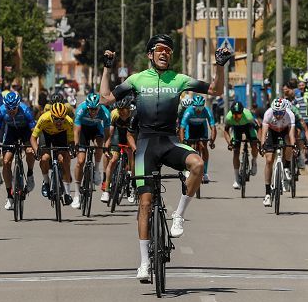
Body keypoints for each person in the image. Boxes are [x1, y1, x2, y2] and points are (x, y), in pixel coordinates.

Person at [98, 34, 229, 283]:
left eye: (168, 50)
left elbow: (216, 90)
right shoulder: (137, 79)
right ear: (150, 54)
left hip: (169, 141)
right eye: (159, 49)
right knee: (145, 204)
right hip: (146, 144)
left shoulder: (179, 79)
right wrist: (106, 69)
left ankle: (178, 214)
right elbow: (105, 99)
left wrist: (220, 65)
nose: (164, 53)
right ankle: (144, 263)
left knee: (198, 164)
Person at [0, 90, 38, 209]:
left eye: (14, 108)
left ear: (18, 105)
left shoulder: (26, 110)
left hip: (25, 131)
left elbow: (34, 133)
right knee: (6, 162)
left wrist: (35, 149)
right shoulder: (2, 110)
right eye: (9, 108)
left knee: (29, 151)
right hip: (11, 132)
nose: (11, 111)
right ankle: (9, 196)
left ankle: (30, 173)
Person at [30, 102, 74, 205]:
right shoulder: (44, 118)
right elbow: (33, 138)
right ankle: (46, 182)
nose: (59, 122)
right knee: (44, 158)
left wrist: (71, 149)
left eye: (62, 119)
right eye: (56, 119)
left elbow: (71, 141)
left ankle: (67, 193)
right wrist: (37, 151)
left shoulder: (69, 122)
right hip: (46, 135)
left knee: (64, 160)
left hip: (61, 135)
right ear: (51, 115)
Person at [72, 92, 111, 208]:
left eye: (95, 109)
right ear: (87, 107)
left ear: (99, 107)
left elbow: (107, 135)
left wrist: (106, 148)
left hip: (96, 130)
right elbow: (76, 132)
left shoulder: (105, 113)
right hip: (83, 131)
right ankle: (77, 194)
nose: (93, 112)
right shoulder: (80, 110)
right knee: (80, 161)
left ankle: (96, 170)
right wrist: (76, 145)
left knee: (100, 144)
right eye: (91, 109)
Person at [260, 98, 296, 207]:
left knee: (289, 142)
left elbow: (291, 134)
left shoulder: (290, 115)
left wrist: (293, 146)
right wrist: (262, 145)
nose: (278, 115)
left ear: (285, 110)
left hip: (284, 131)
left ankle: (286, 166)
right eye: (276, 112)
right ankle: (267, 194)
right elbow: (264, 133)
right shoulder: (268, 114)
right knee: (269, 160)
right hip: (272, 132)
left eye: (280, 112)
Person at [102, 94, 137, 204]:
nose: (121, 112)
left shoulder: (134, 115)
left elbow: (137, 134)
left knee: (132, 157)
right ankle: (106, 190)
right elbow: (111, 132)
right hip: (118, 135)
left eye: (123, 109)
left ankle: (132, 186)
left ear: (129, 109)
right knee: (113, 160)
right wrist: (107, 143)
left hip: (131, 136)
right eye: (119, 109)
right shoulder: (114, 114)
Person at [179, 94, 216, 184]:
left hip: (201, 128)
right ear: (193, 106)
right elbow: (182, 128)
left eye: (201, 108)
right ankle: (188, 169)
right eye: (197, 108)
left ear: (204, 106)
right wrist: (183, 141)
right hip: (191, 128)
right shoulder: (189, 111)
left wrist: (212, 140)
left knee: (204, 147)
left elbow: (213, 127)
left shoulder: (207, 111)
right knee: (190, 147)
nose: (199, 111)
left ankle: (205, 173)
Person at [223, 100, 259, 188]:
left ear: (242, 113)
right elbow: (226, 131)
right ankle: (236, 179)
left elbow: (258, 127)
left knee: (254, 144)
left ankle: (254, 161)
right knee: (236, 152)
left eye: (238, 114)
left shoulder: (248, 116)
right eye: (234, 114)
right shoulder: (228, 117)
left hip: (248, 128)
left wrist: (258, 141)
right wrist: (229, 143)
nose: (236, 117)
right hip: (236, 129)